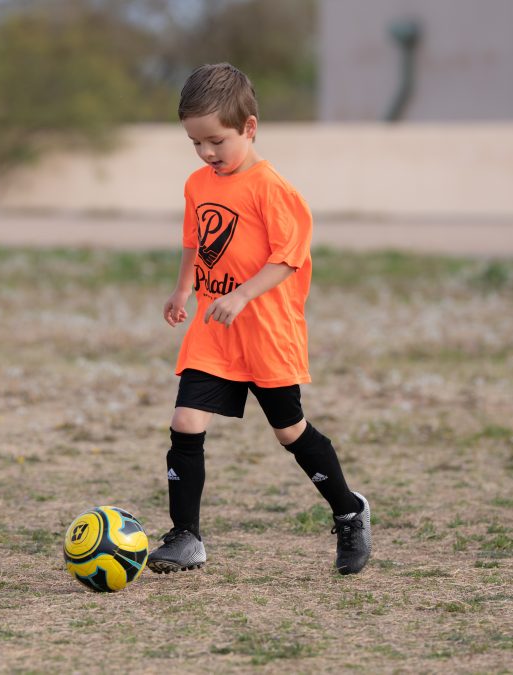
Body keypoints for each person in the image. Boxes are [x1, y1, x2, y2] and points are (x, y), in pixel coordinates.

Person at [146, 63, 372, 576]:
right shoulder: (197, 184)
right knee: (184, 421)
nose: (206, 153)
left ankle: (348, 510)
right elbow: (193, 241)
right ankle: (186, 537)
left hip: (267, 331)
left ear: (249, 128)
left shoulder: (273, 190)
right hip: (215, 328)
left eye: (216, 142)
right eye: (195, 143)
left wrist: (245, 294)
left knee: (290, 431)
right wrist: (183, 288)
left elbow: (287, 258)